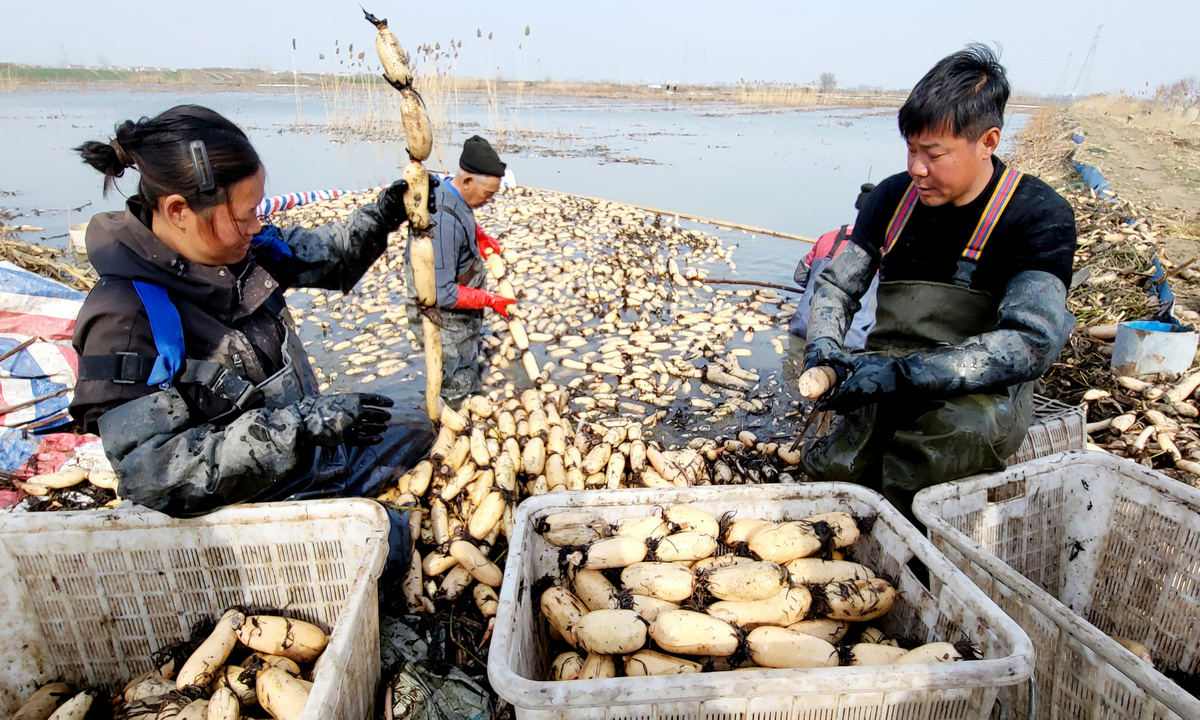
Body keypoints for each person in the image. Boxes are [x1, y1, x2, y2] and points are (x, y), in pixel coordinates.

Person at [69, 105, 434, 523]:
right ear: (177, 210)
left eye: (258, 209)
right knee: (395, 543)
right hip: (243, 513)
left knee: (422, 422)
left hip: (309, 463)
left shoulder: (245, 253)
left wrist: (384, 213)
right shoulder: (125, 320)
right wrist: (297, 427)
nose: (257, 226)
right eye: (245, 215)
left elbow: (331, 258)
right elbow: (152, 475)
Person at [800, 45, 1077, 518]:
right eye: (910, 148)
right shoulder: (892, 198)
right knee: (841, 476)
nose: (916, 168)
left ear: (988, 141)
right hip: (888, 371)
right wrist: (824, 349)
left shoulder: (1036, 214)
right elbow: (838, 287)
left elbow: (1032, 343)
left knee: (936, 463)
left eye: (934, 153)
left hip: (976, 392)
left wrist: (906, 376)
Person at [404, 135, 514, 407]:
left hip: (456, 305)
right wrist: (487, 299)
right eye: (488, 194)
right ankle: (450, 416)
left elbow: (462, 215)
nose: (489, 200)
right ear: (467, 181)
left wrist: (480, 235)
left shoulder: (450, 190)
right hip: (442, 315)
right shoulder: (440, 223)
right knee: (455, 379)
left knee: (466, 362)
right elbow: (441, 293)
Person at [789, 183, 879, 349]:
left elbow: (800, 277)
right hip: (849, 342)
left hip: (802, 328)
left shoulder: (829, 237)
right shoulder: (883, 249)